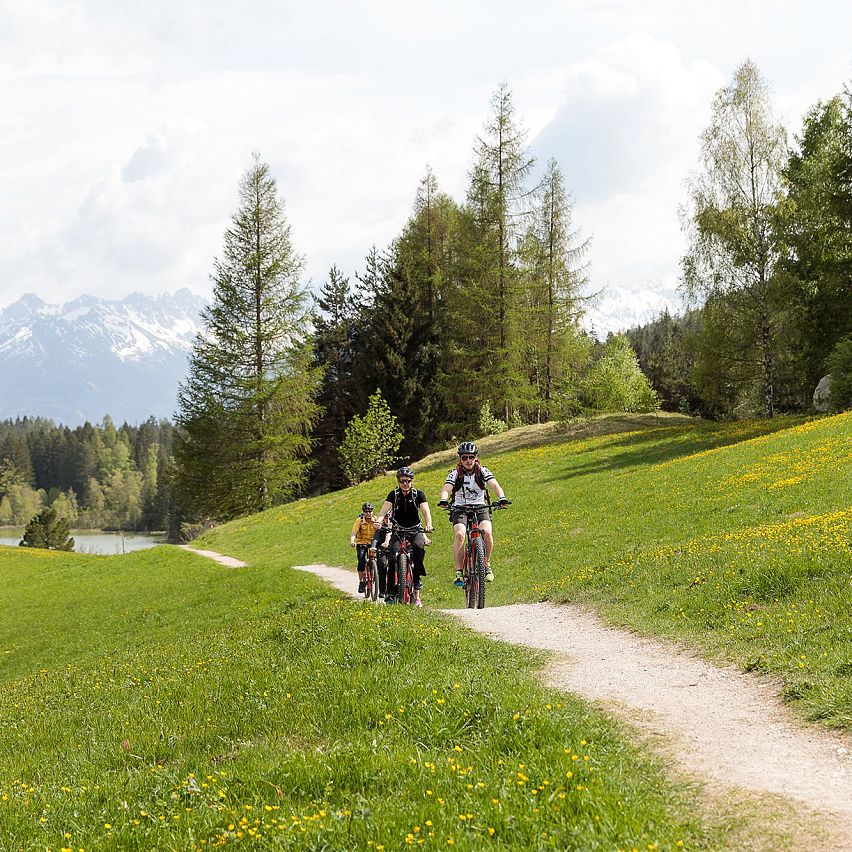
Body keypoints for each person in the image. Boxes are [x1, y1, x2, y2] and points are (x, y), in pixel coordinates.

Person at [437, 442, 509, 586]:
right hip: (460, 508)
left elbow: (494, 485)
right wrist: (444, 499)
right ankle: (459, 572)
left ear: (476, 458)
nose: (468, 461)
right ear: (460, 459)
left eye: (471, 457)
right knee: (460, 534)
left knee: (487, 532)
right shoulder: (455, 473)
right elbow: (446, 488)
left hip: (480, 507)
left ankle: (486, 564)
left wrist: (502, 498)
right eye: (465, 458)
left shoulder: (482, 471)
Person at [373, 467, 433, 607]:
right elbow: (383, 511)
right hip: (397, 529)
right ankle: (391, 593)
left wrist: (428, 524)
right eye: (402, 481)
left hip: (414, 528)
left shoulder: (418, 494)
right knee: (393, 557)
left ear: (412, 481)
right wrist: (378, 521)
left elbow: (425, 511)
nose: (405, 484)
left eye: (407, 481)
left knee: (419, 548)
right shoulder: (393, 495)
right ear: (398, 482)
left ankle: (417, 582)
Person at [349, 502, 377, 594]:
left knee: (380, 559)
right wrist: (352, 541)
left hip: (373, 543)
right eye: (366, 511)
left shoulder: (376, 520)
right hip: (362, 542)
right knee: (361, 560)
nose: (368, 513)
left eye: (370, 511)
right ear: (363, 512)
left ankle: (376, 575)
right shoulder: (359, 520)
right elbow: (354, 532)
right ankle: (361, 582)